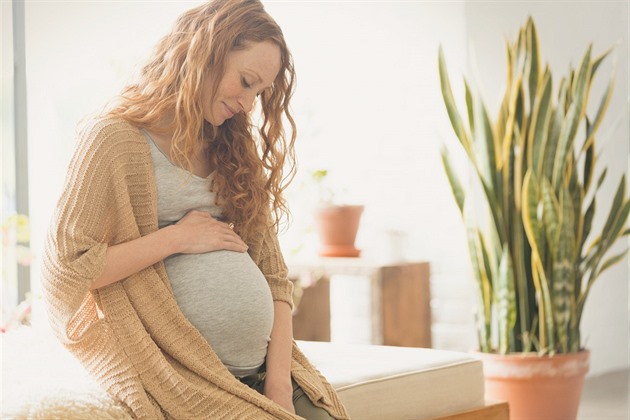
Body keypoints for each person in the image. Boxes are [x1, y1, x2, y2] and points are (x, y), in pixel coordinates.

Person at [40, 1, 349, 419]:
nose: (246, 103)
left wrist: (278, 387)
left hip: (265, 375)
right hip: (181, 377)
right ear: (205, 52)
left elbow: (275, 277)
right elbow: (67, 274)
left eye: (258, 92)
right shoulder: (113, 141)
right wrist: (176, 238)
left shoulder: (233, 150)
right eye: (244, 81)